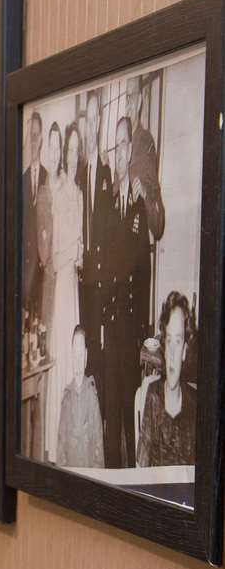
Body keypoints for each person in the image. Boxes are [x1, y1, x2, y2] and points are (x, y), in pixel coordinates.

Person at [101, 115, 156, 466]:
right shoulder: (106, 204)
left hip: (131, 326)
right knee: (112, 413)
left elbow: (144, 270)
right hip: (111, 323)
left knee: (129, 412)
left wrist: (142, 331)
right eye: (116, 144)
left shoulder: (138, 204)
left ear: (130, 151)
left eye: (125, 144)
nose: (120, 151)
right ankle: (111, 474)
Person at [44, 122, 85, 461]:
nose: (70, 156)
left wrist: (79, 253)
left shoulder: (80, 194)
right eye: (66, 150)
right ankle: (53, 443)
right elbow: (55, 254)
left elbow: (80, 254)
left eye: (74, 150)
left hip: (73, 285)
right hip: (59, 284)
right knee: (59, 353)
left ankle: (71, 440)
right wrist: (72, 252)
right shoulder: (56, 190)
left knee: (75, 353)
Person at [79, 88, 114, 409]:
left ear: (100, 120)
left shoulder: (106, 169)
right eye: (87, 118)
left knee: (100, 346)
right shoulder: (78, 170)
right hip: (81, 274)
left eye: (95, 117)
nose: (91, 125)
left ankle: (100, 414)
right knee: (85, 346)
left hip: (101, 275)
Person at [136, 291, 196, 467]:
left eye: (177, 341)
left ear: (185, 350)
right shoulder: (153, 396)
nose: (172, 353)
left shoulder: (196, 405)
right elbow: (141, 468)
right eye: (168, 340)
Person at [55, 325, 105, 469]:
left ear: (86, 357)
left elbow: (98, 445)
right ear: (71, 356)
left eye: (81, 355)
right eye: (75, 355)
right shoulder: (66, 397)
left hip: (89, 472)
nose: (78, 360)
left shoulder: (92, 396)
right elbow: (61, 444)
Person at [22, 110, 47, 337]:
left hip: (43, 269)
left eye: (37, 135)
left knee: (42, 329)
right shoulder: (22, 181)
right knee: (26, 329)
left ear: (42, 140)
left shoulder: (49, 177)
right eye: (31, 135)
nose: (34, 140)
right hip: (26, 270)